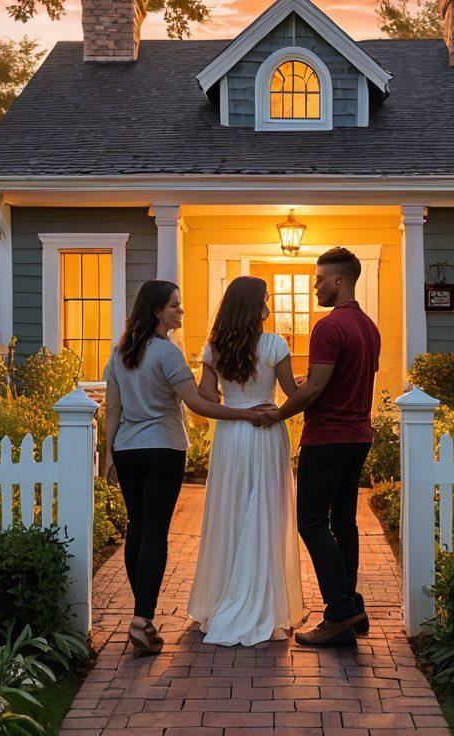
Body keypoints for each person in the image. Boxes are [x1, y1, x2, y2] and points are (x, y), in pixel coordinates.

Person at [103, 279, 273, 658]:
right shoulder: (168, 353)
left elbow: (112, 411)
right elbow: (198, 404)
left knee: (137, 528)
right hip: (163, 448)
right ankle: (142, 617)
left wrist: (110, 455)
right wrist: (244, 414)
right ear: (156, 311)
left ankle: (140, 615)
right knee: (155, 534)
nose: (181, 311)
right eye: (175, 306)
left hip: (128, 450)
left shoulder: (119, 354)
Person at [271, 247, 381, 648]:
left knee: (312, 523)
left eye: (319, 279)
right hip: (358, 437)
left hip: (327, 437)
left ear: (338, 281)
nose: (315, 286)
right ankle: (351, 606)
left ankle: (338, 612)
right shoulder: (369, 327)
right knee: (344, 523)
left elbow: (317, 388)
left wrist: (277, 414)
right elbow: (348, 378)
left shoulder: (328, 326)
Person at [187, 276, 305, 645]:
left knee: (231, 511)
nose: (269, 305)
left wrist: (236, 405)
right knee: (266, 511)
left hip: (231, 435)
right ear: (255, 306)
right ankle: (260, 601)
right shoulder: (274, 344)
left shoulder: (215, 348)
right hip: (266, 430)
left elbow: (207, 398)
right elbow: (291, 394)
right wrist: (311, 382)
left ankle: (224, 597)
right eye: (266, 299)